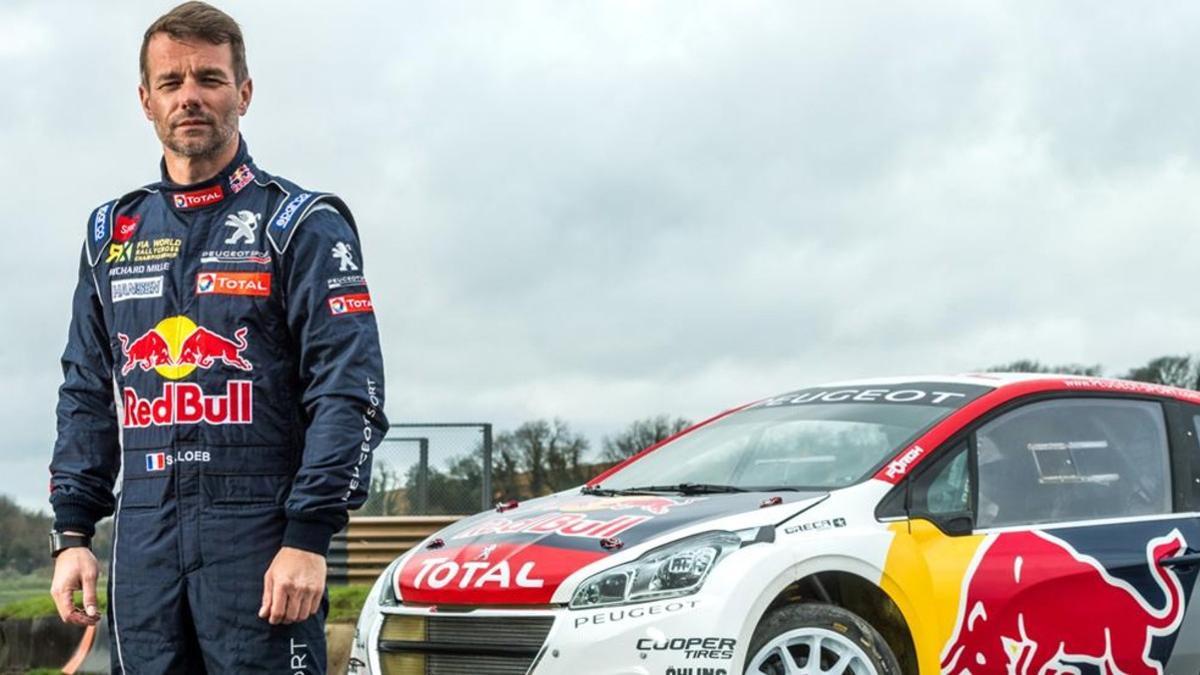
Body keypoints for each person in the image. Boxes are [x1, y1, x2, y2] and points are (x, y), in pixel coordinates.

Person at [47, 2, 388, 671]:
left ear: (245, 92)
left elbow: (349, 391)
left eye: (210, 78)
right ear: (146, 101)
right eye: (172, 83)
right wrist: (72, 532)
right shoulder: (111, 232)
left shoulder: (300, 224)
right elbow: (86, 392)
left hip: (261, 540)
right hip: (143, 541)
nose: (191, 96)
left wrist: (309, 536)